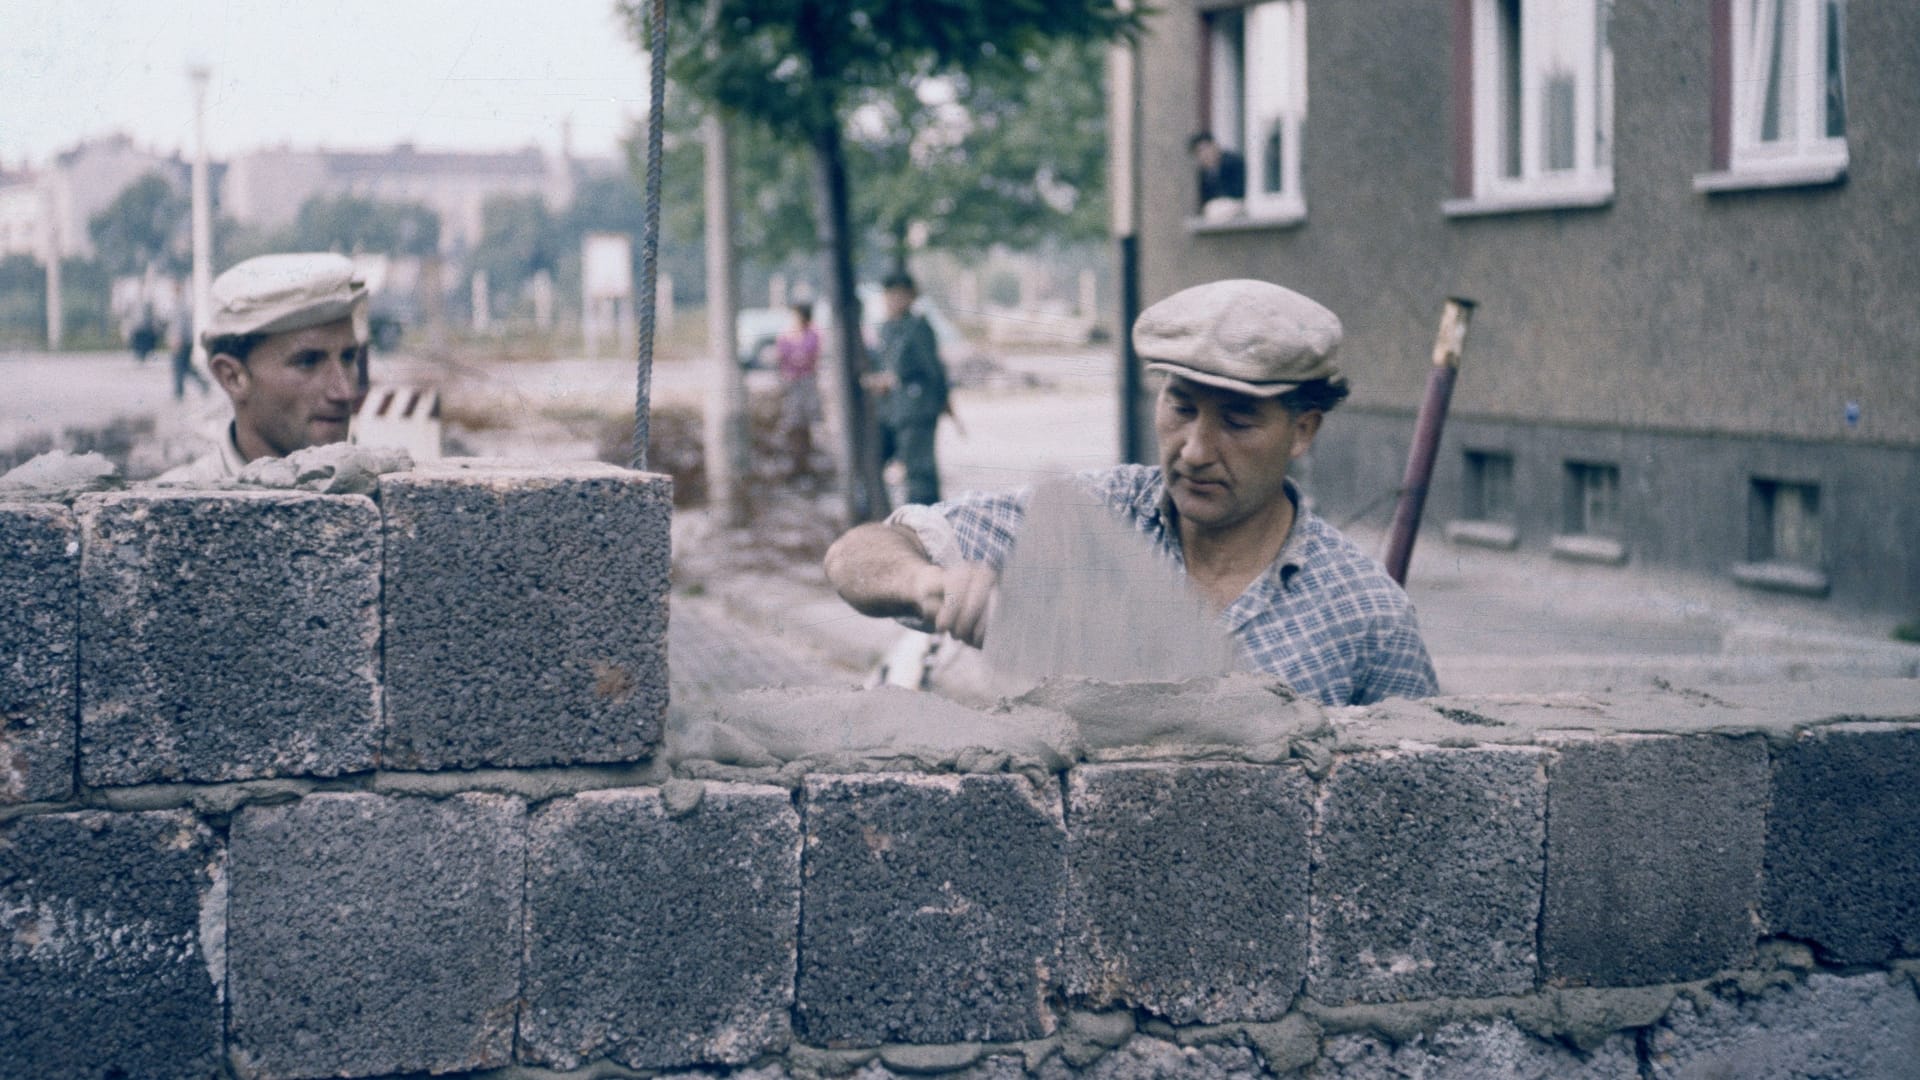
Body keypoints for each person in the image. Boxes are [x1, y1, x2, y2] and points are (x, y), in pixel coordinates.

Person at [823, 278, 1438, 707]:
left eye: (1238, 420)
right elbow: (855, 556)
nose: (1195, 449)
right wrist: (931, 585)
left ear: (1302, 430)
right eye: (1181, 406)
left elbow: (1419, 822)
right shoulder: (1085, 519)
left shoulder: (1367, 618)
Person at [154, 252, 370, 484]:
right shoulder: (177, 507)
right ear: (233, 377)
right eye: (308, 362)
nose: (345, 392)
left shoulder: (388, 492)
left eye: (348, 358)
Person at [863, 270, 950, 506]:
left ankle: (925, 522)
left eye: (900, 295)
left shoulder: (918, 327)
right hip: (892, 411)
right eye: (889, 295)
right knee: (876, 461)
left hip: (916, 409)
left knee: (920, 473)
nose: (893, 301)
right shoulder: (887, 327)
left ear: (911, 297)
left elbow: (933, 370)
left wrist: (942, 399)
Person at [774, 300, 822, 482]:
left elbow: (811, 356)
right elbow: (781, 358)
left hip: (807, 382)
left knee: (806, 423)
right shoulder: (785, 335)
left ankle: (806, 463)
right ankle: (796, 463)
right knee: (793, 424)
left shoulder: (813, 334)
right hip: (791, 383)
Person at [1188, 131, 1246, 211]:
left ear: (1215, 146)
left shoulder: (1233, 164)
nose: (1204, 155)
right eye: (1199, 152)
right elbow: (1204, 201)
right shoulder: (1204, 174)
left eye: (1206, 149)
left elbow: (1239, 193)